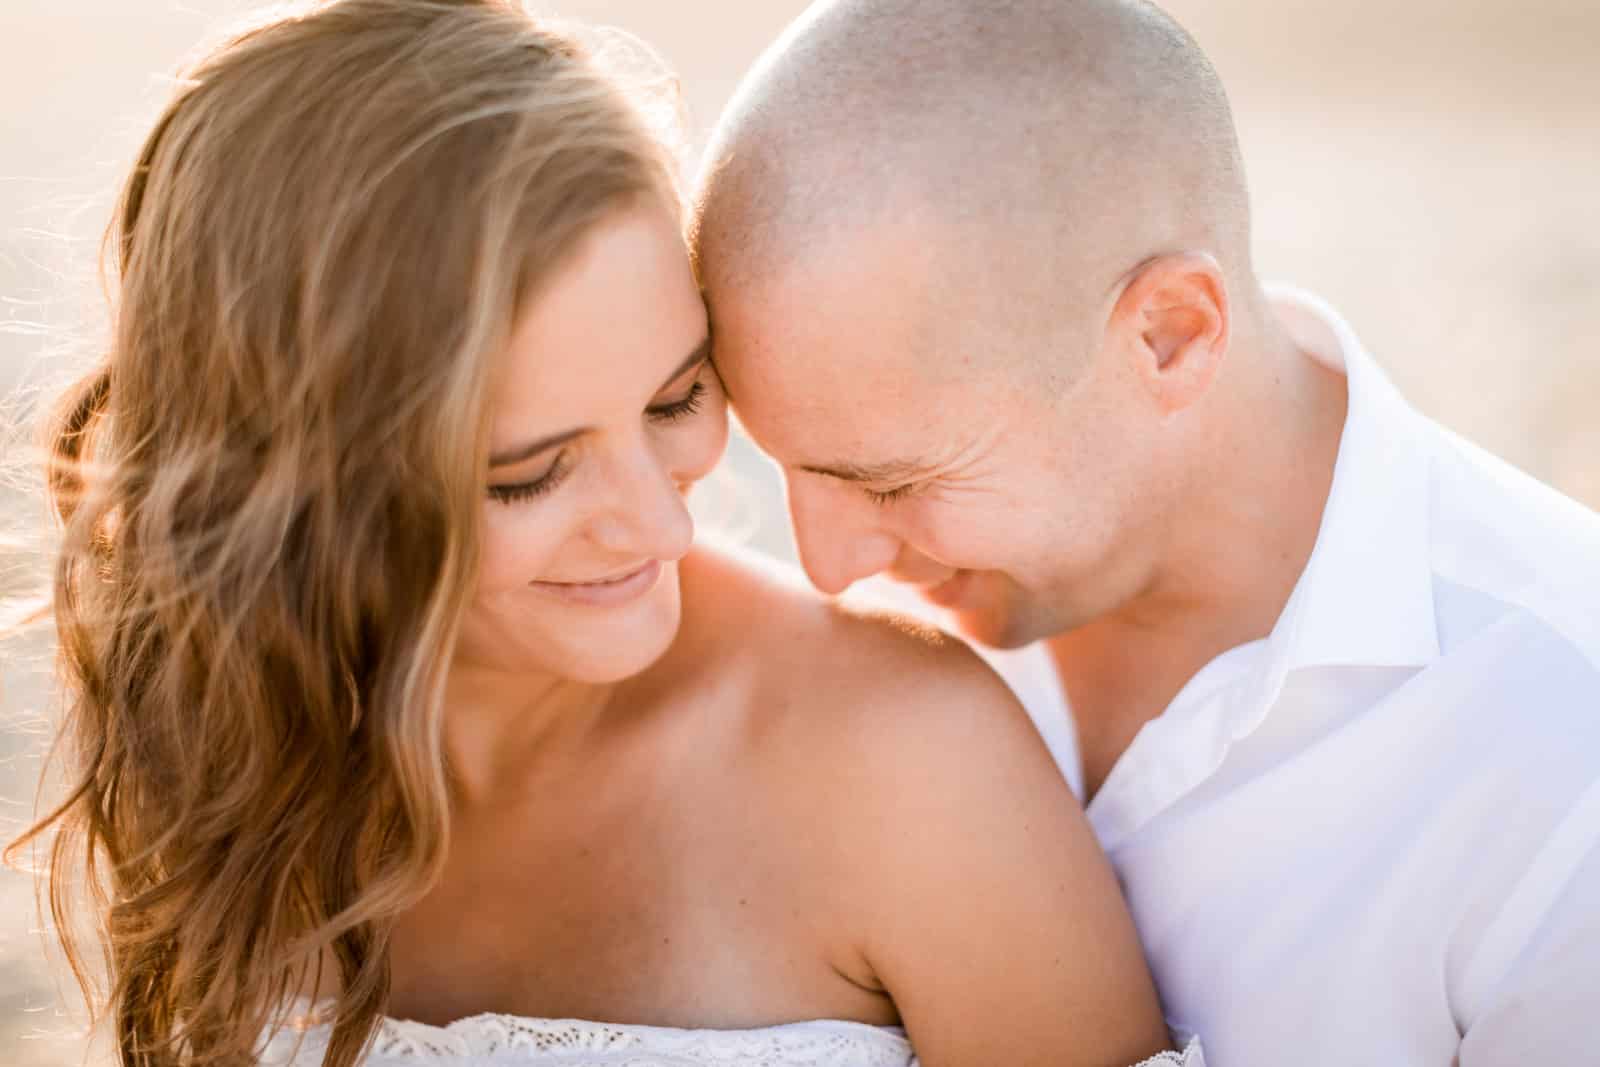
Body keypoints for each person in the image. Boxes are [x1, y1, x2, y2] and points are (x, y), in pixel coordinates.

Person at [7, 2, 1200, 1066]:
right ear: (289, 490)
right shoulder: (235, 742)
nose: (661, 517)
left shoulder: (904, 759)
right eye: (528, 473)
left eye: (677, 400)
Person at [692, 0, 1600, 1064]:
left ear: (1169, 335)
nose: (828, 569)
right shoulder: (811, 644)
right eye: (782, 465)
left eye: (891, 483)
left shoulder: (1559, 747)